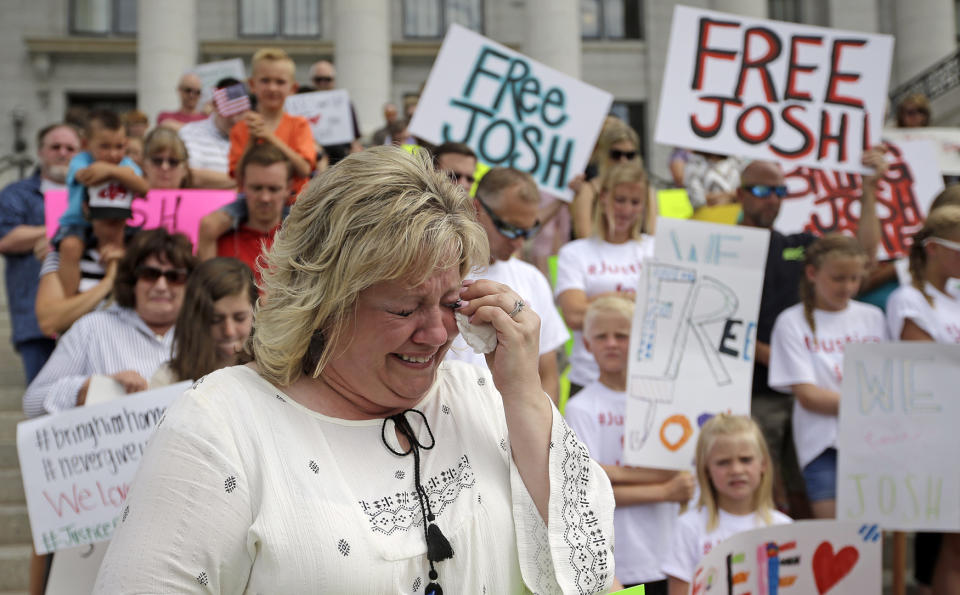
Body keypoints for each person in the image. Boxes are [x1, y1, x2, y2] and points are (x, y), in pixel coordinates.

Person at [93, 146, 615, 594]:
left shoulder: (484, 391)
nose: (436, 334)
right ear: (321, 304)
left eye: (451, 302)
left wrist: (523, 394)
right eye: (404, 309)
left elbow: (594, 569)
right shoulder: (221, 423)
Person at [739, 151, 884, 519]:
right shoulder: (720, 245)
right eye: (761, 189)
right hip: (755, 393)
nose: (772, 197)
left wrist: (869, 191)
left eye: (780, 190)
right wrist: (784, 361)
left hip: (805, 391)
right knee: (760, 492)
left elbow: (861, 255)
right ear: (739, 193)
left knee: (807, 495)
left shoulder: (797, 243)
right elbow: (716, 321)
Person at [564, 296, 695, 592]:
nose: (612, 343)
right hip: (617, 558)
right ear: (586, 345)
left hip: (669, 552)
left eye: (622, 336)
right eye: (601, 336)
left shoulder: (663, 401)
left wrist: (615, 473)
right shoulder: (580, 407)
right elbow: (589, 486)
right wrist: (663, 486)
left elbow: (685, 471)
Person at [768, 235, 889, 519]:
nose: (847, 287)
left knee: (871, 535)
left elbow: (886, 382)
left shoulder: (873, 317)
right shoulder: (791, 321)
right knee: (837, 533)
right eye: (838, 278)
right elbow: (809, 396)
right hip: (822, 443)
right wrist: (867, 405)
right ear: (812, 273)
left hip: (872, 442)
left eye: (854, 279)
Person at [23, 228, 195, 418]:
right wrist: (90, 388)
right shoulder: (92, 328)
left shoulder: (206, 334)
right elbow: (33, 403)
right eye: (149, 274)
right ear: (132, 280)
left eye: (175, 277)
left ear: (189, 284)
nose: (161, 286)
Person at [444, 168, 568, 403]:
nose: (519, 241)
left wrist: (543, 434)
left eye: (528, 230)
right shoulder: (440, 271)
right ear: (477, 208)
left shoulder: (532, 279)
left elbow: (548, 374)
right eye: (509, 228)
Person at [886, 205, 960, 595]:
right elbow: (924, 363)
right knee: (953, 541)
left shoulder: (953, 299)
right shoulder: (908, 299)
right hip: (937, 435)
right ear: (932, 248)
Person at [196, 48, 316, 260]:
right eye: (265, 80)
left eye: (280, 82)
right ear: (252, 85)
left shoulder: (299, 125)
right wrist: (252, 138)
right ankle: (209, 285)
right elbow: (239, 177)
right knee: (208, 226)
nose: (272, 87)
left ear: (293, 88)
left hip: (294, 204)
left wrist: (269, 137)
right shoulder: (241, 129)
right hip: (249, 201)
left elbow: (305, 168)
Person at [662, 414, 792, 595]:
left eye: (746, 459)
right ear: (706, 469)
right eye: (723, 462)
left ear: (763, 464)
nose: (736, 470)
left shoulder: (784, 527)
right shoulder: (688, 527)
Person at [556, 161, 654, 396]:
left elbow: (661, 313)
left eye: (635, 202)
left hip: (643, 379)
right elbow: (574, 315)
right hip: (587, 377)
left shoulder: (654, 250)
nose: (626, 210)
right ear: (604, 198)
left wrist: (597, 301)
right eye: (620, 200)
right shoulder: (575, 253)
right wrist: (629, 300)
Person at [0, 123, 79, 382]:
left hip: (83, 316)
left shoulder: (90, 194)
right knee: (41, 407)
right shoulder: (15, 193)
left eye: (70, 148)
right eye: (55, 146)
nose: (62, 153)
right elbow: (6, 238)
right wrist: (58, 229)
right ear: (40, 151)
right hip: (34, 320)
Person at [55, 109, 148, 298]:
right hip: (77, 224)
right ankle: (69, 299)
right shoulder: (80, 160)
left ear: (127, 144)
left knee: (124, 251)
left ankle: (117, 296)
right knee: (70, 247)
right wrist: (121, 173)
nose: (113, 154)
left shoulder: (126, 163)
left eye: (119, 146)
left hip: (114, 223)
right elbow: (86, 176)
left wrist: (110, 171)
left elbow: (144, 187)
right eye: (105, 146)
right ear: (86, 144)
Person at [34, 172, 136, 337]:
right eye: (105, 218)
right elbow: (49, 322)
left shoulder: (143, 258)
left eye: (119, 218)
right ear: (86, 210)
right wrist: (109, 281)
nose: (113, 226)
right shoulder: (63, 256)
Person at [151, 257, 256, 386]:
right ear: (194, 320)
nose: (229, 331)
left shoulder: (271, 374)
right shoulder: (168, 379)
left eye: (240, 318)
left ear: (255, 313)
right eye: (215, 319)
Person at [215, 144, 292, 284]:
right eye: (256, 188)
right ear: (242, 186)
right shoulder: (218, 240)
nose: (265, 198)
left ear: (289, 189)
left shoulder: (301, 243)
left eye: (273, 189)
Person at [570, 119, 641, 239]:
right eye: (616, 155)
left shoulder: (646, 191)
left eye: (630, 155)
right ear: (603, 153)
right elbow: (584, 238)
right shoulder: (587, 191)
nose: (623, 161)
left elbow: (652, 237)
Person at [178, 77, 246, 189]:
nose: (234, 119)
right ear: (215, 104)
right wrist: (246, 180)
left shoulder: (252, 137)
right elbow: (191, 176)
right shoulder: (190, 133)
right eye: (228, 111)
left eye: (239, 112)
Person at [309, 59, 362, 155]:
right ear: (312, 81)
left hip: (341, 156)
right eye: (318, 79)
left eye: (327, 79)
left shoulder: (345, 103)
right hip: (313, 156)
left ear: (333, 81)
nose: (322, 83)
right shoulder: (303, 104)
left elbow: (354, 138)